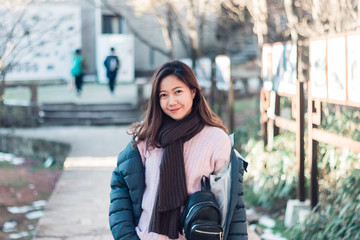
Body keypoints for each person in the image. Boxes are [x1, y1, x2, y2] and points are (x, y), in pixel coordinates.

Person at [109, 60, 247, 240]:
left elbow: (233, 206)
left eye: (178, 92)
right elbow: (121, 186)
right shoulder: (146, 137)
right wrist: (127, 236)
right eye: (163, 95)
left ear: (193, 92)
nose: (171, 101)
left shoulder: (216, 139)